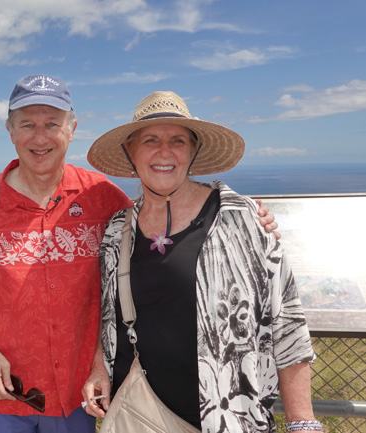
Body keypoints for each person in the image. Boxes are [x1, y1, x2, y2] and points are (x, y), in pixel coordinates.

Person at [0, 77, 279, 433]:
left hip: (81, 398)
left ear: (71, 129)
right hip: (4, 396)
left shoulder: (101, 196)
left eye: (52, 124)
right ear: (11, 131)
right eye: (27, 124)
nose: (40, 137)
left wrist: (241, 213)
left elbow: (156, 226)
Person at [81, 91, 319, 432]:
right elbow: (110, 316)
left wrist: (302, 421)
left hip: (230, 419)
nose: (165, 152)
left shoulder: (239, 219)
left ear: (193, 151)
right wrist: (100, 368)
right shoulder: (118, 230)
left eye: (178, 140)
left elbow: (286, 322)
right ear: (130, 152)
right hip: (138, 416)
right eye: (150, 140)